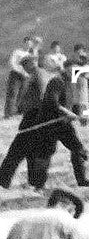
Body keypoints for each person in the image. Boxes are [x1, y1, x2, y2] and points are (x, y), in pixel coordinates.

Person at [0, 57, 54, 189]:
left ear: (31, 64)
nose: (24, 69)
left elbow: (42, 95)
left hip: (34, 118)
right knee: (32, 152)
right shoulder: (41, 74)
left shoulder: (37, 74)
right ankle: (35, 183)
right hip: (37, 118)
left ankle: (3, 181)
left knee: (16, 152)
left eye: (25, 66)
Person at [5, 37, 35, 119]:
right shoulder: (17, 52)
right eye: (27, 43)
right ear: (24, 43)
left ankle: (17, 112)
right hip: (16, 75)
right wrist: (22, 71)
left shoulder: (30, 54)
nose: (28, 45)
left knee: (22, 94)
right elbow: (12, 63)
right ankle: (8, 114)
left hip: (26, 77)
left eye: (30, 43)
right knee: (13, 94)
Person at [64, 44, 89, 121]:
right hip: (73, 85)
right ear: (75, 52)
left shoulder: (86, 62)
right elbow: (70, 70)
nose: (80, 53)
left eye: (82, 51)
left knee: (82, 101)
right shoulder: (70, 62)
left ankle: (82, 117)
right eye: (78, 52)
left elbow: (87, 73)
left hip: (82, 85)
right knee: (73, 101)